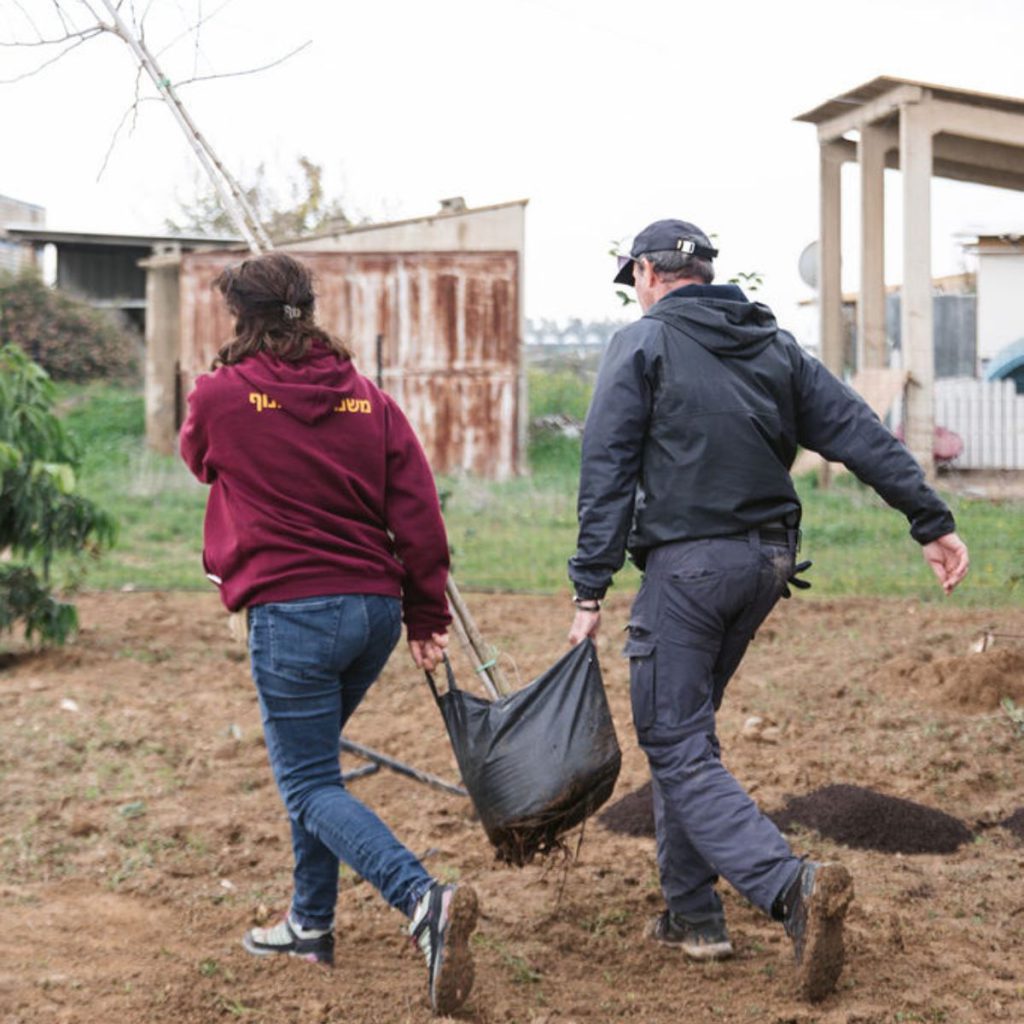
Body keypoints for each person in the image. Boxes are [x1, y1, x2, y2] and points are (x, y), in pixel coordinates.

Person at [567, 220, 969, 1002]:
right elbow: (857, 430)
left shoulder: (642, 344)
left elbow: (606, 466)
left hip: (691, 568)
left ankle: (791, 890)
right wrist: (931, 519)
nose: (635, 293)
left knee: (674, 740)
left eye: (633, 280)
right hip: (766, 562)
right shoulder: (774, 345)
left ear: (650, 273)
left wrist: (590, 587)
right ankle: (693, 917)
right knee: (688, 739)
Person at [180, 251, 478, 1016]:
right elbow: (417, 512)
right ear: (308, 310)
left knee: (307, 781)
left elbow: (197, 459)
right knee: (313, 770)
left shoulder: (220, 394)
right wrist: (426, 614)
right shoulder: (367, 399)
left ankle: (423, 902)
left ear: (239, 316)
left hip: (293, 614)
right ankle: (310, 923)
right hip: (372, 612)